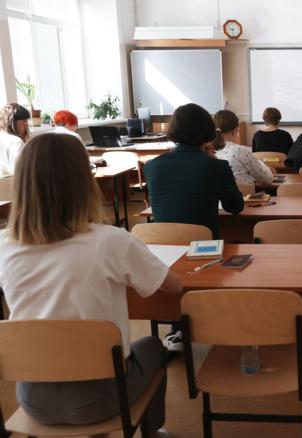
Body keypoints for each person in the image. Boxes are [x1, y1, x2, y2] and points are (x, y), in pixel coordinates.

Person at [0, 133, 183, 436]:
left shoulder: (3, 244)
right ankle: (153, 433)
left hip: (32, 398)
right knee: (153, 345)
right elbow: (174, 287)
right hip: (101, 398)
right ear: (84, 183)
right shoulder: (112, 241)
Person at [144, 103, 244, 352]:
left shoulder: (152, 166)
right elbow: (235, 207)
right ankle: (210, 318)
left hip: (164, 252)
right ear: (207, 131)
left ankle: (178, 328)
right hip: (205, 252)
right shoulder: (215, 166)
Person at [213, 110, 273, 193]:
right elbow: (267, 179)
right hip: (243, 200)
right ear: (235, 131)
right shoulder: (240, 151)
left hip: (217, 200)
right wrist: (260, 162)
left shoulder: (207, 151)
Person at [0, 103, 30, 175]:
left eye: (26, 121)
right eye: (23, 122)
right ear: (11, 122)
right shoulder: (16, 142)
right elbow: (21, 172)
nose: (26, 125)